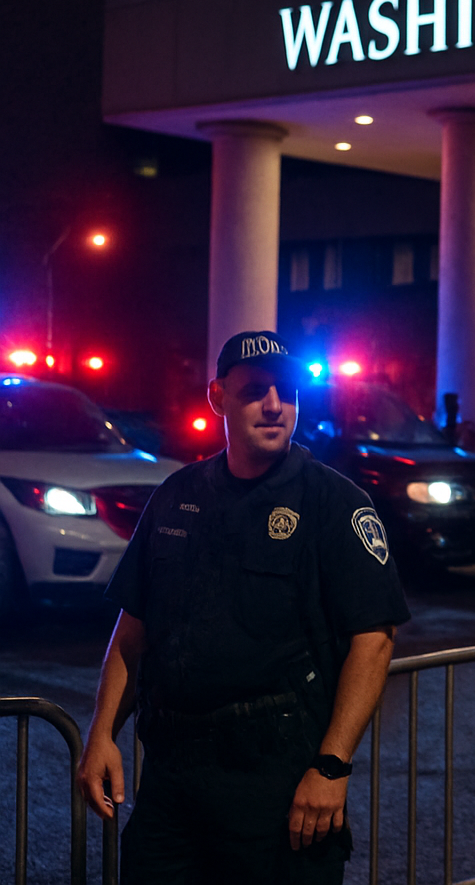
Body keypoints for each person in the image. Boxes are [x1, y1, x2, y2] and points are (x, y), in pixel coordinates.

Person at [76, 330, 410, 885]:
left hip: (277, 780)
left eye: (288, 391)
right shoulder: (177, 495)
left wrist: (331, 766)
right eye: (257, 390)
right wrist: (102, 734)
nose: (276, 405)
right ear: (217, 397)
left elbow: (374, 641)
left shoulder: (334, 502)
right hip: (174, 778)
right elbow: (133, 629)